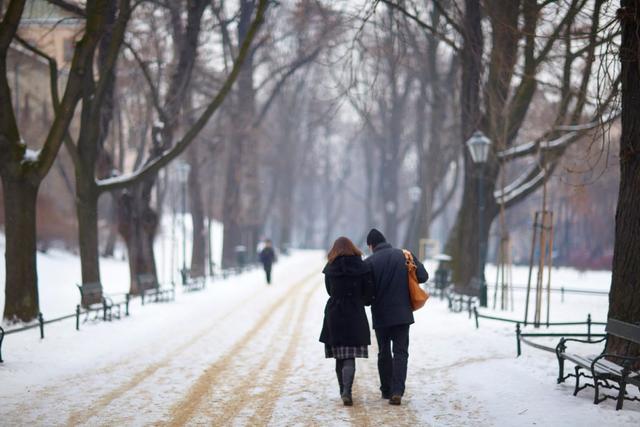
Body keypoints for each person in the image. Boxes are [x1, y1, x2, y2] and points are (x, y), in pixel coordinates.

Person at [365, 228, 428, 406]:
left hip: (381, 314)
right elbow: (423, 276)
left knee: (383, 351)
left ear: (371, 245)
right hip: (402, 314)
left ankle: (386, 390)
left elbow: (367, 294)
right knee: (400, 352)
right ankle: (397, 391)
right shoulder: (404, 255)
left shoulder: (369, 262)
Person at [319, 237, 374, 406]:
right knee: (350, 355)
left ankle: (342, 389)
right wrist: (360, 299)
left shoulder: (330, 267)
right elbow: (368, 291)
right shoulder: (362, 267)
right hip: (355, 312)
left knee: (339, 355)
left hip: (335, 312)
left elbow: (329, 290)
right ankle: (347, 391)